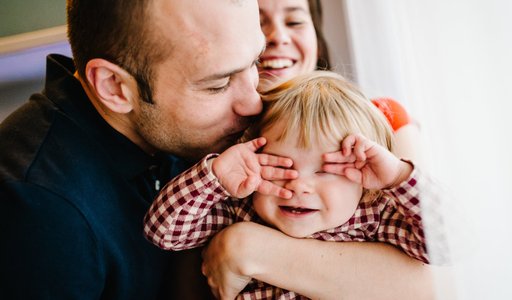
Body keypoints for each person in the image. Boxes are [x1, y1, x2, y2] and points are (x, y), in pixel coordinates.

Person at [0, 0, 266, 298]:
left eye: (256, 62)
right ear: (114, 86)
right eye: (217, 85)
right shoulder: (38, 211)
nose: (254, 102)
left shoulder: (190, 132)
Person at [144, 71, 441, 299]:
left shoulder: (373, 216)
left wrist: (400, 177)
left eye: (327, 170)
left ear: (365, 182)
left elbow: (445, 246)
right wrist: (215, 178)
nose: (299, 186)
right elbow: (163, 232)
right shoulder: (242, 208)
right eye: (280, 166)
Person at [256, 0, 425, 165]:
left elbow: (419, 193)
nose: (277, 36)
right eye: (256, 23)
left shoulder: (384, 118)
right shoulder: (232, 150)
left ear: (318, 42)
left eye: (294, 22)